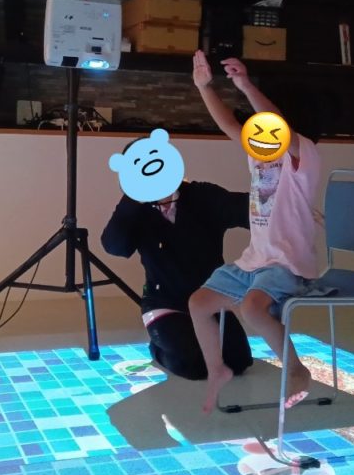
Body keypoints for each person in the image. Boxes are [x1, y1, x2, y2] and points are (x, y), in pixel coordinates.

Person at [187, 50, 323, 414]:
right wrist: (204, 87)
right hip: (253, 261)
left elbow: (276, 125)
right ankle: (217, 369)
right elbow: (228, 124)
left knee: (251, 308)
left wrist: (246, 85)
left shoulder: (302, 154)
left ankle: (296, 368)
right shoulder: (259, 153)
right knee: (198, 304)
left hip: (287, 264)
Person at [101, 162, 255, 380]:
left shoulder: (202, 195)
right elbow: (114, 246)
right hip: (163, 301)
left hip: (207, 298)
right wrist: (131, 200)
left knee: (238, 361)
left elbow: (248, 211)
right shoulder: (138, 208)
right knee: (191, 363)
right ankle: (157, 348)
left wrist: (282, 202)